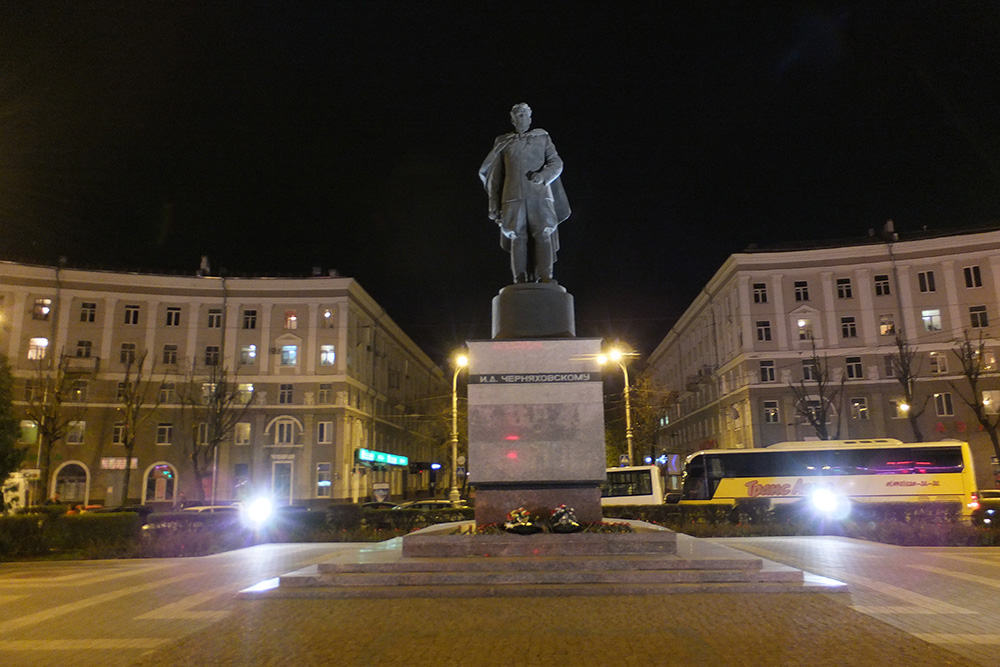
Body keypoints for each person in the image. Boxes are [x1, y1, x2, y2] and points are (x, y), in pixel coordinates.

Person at [479, 103, 570, 283]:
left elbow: (556, 162)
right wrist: (493, 203)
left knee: (543, 233)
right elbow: (495, 176)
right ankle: (519, 277)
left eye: (524, 114)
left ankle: (545, 276)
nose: (521, 118)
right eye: (518, 115)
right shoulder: (502, 142)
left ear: (530, 118)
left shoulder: (542, 137)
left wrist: (543, 175)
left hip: (540, 194)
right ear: (512, 120)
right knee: (516, 236)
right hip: (511, 196)